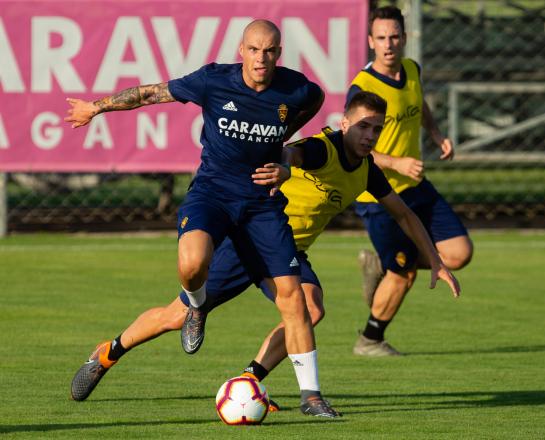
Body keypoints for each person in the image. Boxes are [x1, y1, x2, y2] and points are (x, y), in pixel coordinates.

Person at [70, 92, 460, 415]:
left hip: (288, 249)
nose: (369, 135)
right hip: (250, 243)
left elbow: (405, 215)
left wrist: (437, 260)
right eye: (363, 126)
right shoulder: (322, 149)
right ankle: (108, 353)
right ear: (345, 124)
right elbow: (292, 153)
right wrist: (285, 168)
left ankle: (252, 381)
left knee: (311, 309)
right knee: (175, 315)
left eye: (377, 129)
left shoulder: (367, 170)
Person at [65, 20, 337, 417]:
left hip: (261, 210)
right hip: (213, 196)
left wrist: (281, 153)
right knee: (188, 277)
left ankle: (311, 397)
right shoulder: (213, 80)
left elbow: (310, 106)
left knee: (298, 301)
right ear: (241, 50)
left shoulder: (299, 89)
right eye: (254, 49)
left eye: (270, 51)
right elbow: (149, 94)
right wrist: (97, 107)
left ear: (279, 53)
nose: (262, 58)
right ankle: (110, 352)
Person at [347, 6, 474, 356]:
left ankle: (382, 263)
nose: (389, 44)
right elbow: (353, 147)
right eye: (381, 38)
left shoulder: (411, 70)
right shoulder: (363, 88)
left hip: (415, 187)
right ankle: (370, 339)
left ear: (405, 38)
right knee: (404, 273)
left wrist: (435, 134)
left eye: (395, 37)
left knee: (460, 253)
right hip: (378, 195)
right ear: (371, 41)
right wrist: (396, 162)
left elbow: (418, 105)